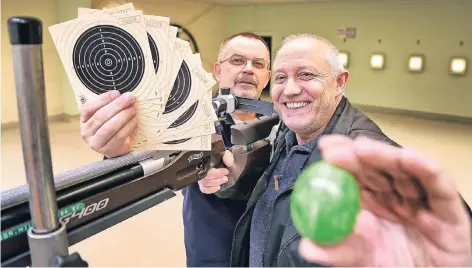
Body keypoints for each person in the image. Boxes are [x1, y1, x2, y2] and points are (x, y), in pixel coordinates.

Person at [197, 33, 472, 267]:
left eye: (306, 75)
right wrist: (230, 181)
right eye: (281, 77)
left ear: (339, 82)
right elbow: (277, 188)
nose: (290, 90)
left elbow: (437, 239)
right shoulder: (291, 130)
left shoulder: (366, 160)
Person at [78, 32, 271, 267]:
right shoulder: (187, 120)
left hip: (265, 254)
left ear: (266, 77)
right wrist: (116, 150)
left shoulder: (280, 123)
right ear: (219, 71)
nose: (249, 69)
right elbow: (139, 173)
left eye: (258, 64)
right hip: (213, 255)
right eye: (238, 60)